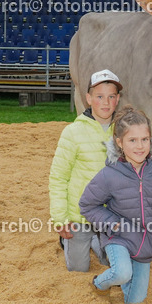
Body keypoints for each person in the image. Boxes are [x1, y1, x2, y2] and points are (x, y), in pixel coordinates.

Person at [80, 107, 152, 304]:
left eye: (145, 139)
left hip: (146, 243)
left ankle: (127, 288)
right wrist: (113, 224)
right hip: (119, 237)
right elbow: (87, 205)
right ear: (119, 143)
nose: (140, 146)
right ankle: (99, 283)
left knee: (136, 301)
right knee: (122, 273)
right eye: (132, 140)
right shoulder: (109, 174)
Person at [48, 69, 122, 272]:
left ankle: (98, 242)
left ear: (118, 99)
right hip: (79, 216)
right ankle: (73, 241)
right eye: (99, 97)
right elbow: (58, 177)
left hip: (110, 216)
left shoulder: (123, 132)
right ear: (88, 98)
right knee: (78, 269)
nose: (106, 102)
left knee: (113, 264)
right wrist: (61, 219)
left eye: (111, 97)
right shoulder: (72, 132)